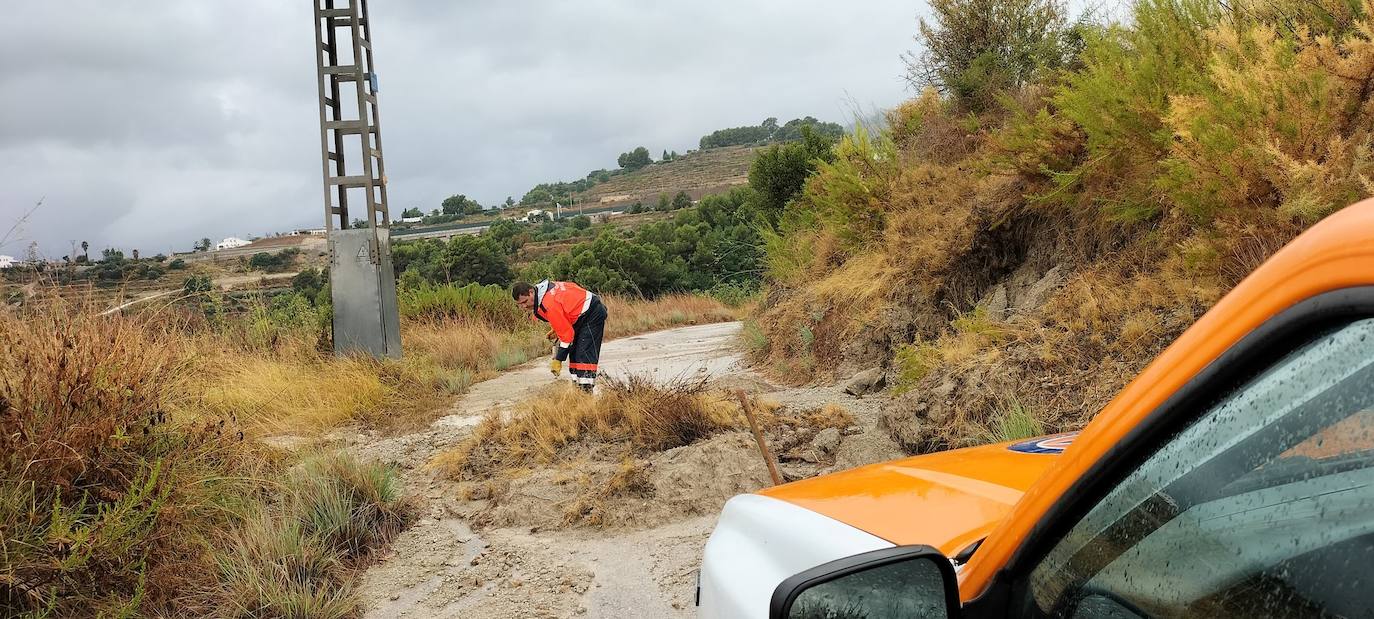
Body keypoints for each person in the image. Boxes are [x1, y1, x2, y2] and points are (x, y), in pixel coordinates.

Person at [512, 279, 607, 392]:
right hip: (580, 315)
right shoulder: (543, 292)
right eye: (519, 304)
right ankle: (578, 390)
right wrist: (557, 327)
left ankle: (586, 393)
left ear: (531, 292)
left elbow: (567, 336)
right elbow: (566, 303)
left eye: (524, 302)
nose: (523, 307)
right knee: (575, 354)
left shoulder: (549, 303)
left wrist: (558, 359)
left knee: (584, 354)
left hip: (592, 313)